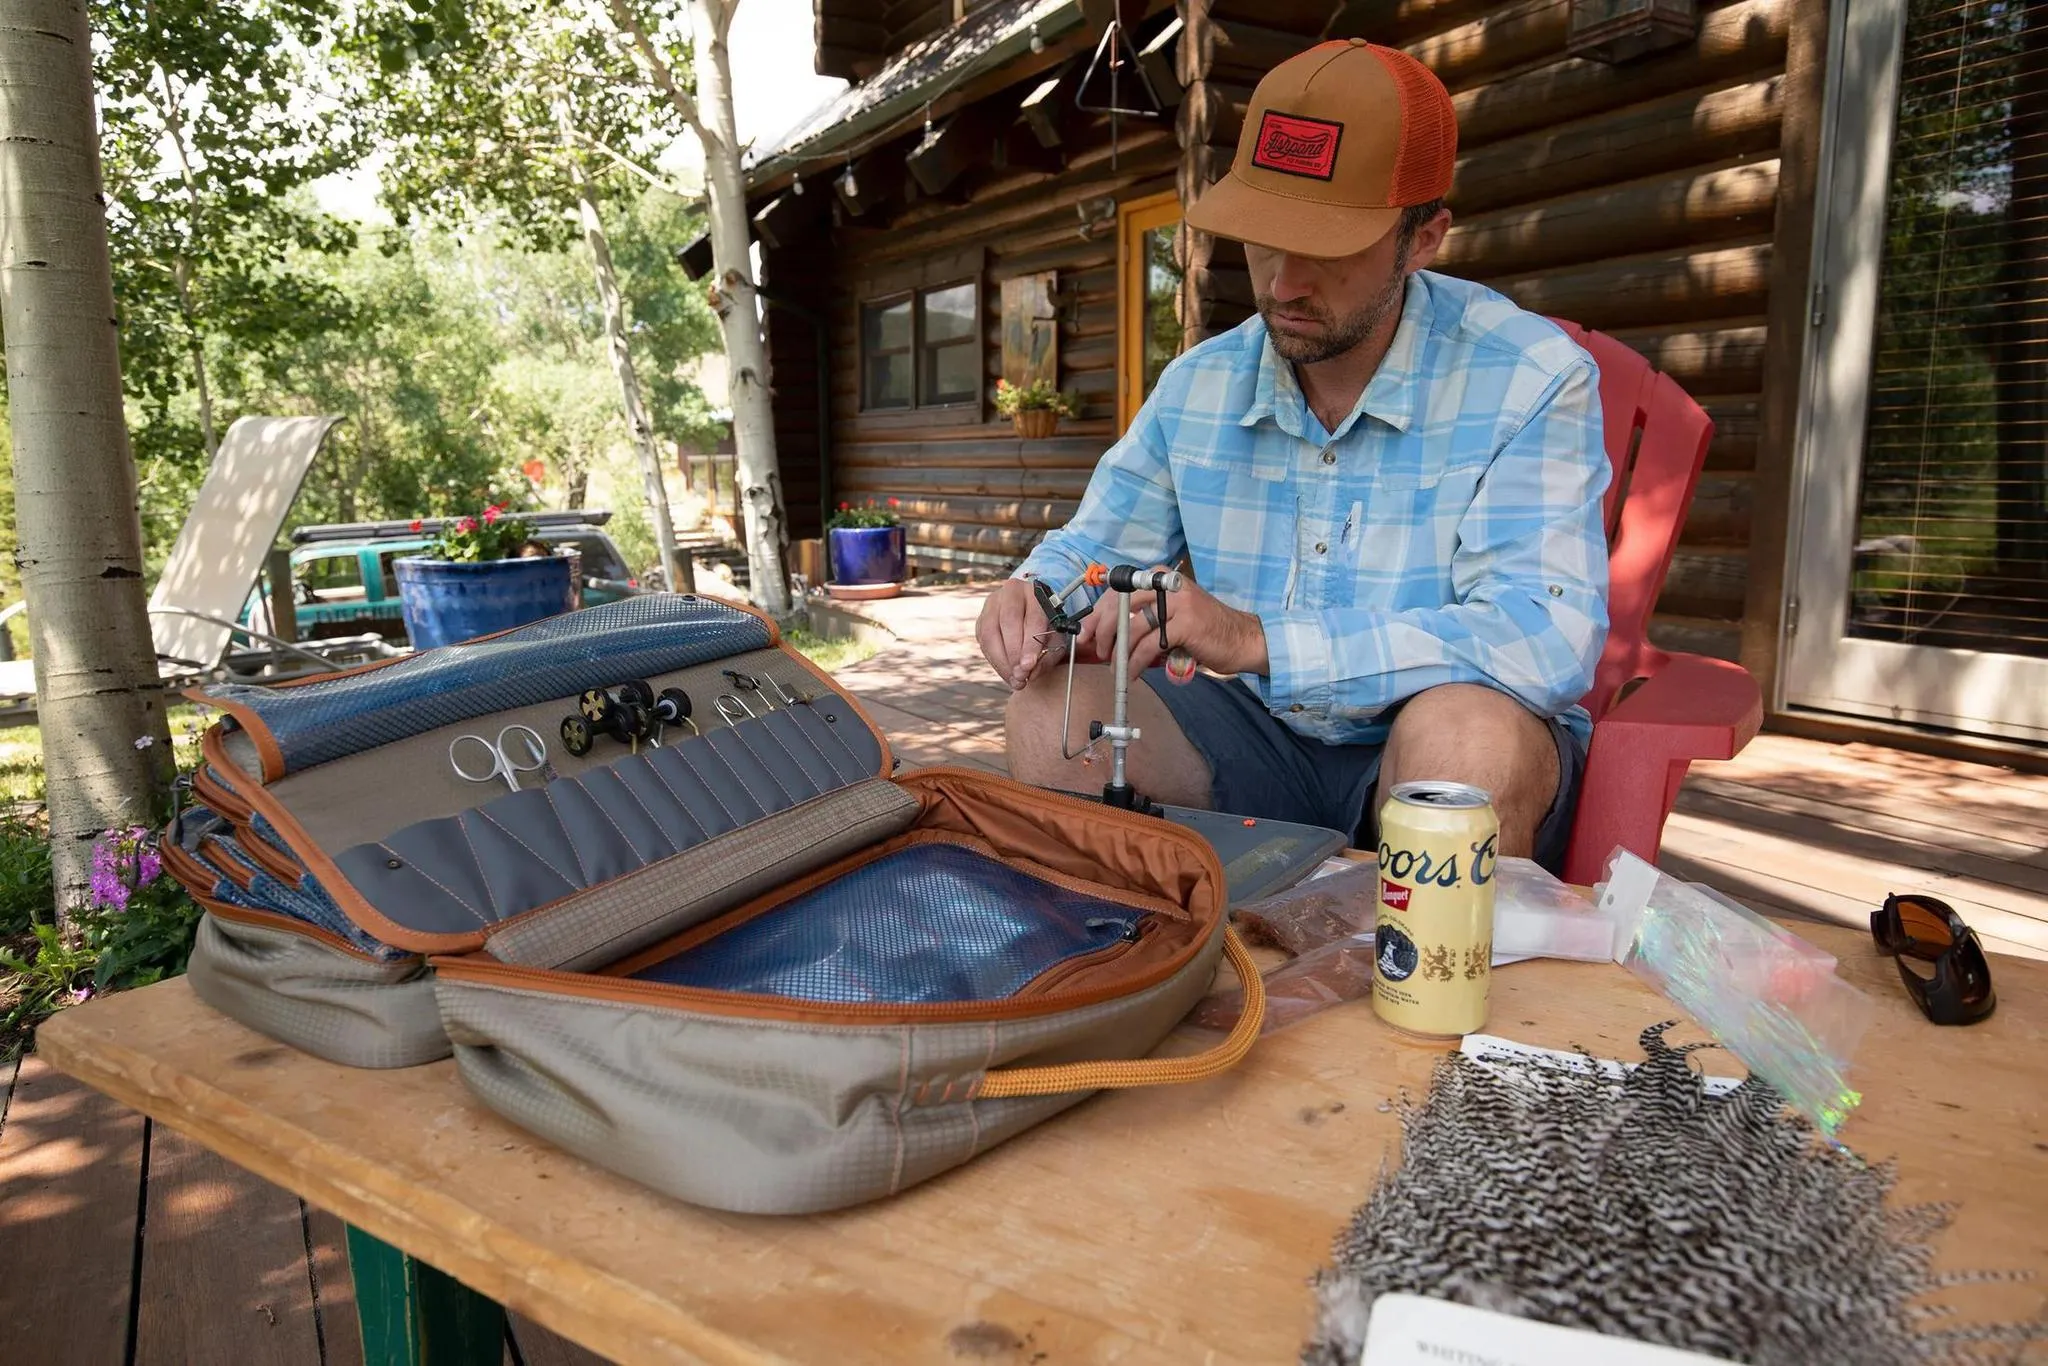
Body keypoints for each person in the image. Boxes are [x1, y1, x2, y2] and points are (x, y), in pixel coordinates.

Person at [976, 39, 1611, 869]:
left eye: (1328, 244)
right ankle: (1134, 976)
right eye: (1263, 237)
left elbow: (1543, 635)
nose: (1280, 284)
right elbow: (1096, 553)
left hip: (1437, 737)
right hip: (1251, 736)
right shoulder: (1199, 386)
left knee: (1465, 742)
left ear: (1425, 238)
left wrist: (1260, 640)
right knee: (1051, 714)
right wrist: (1035, 599)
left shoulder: (1528, 378)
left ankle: (1421, 991)